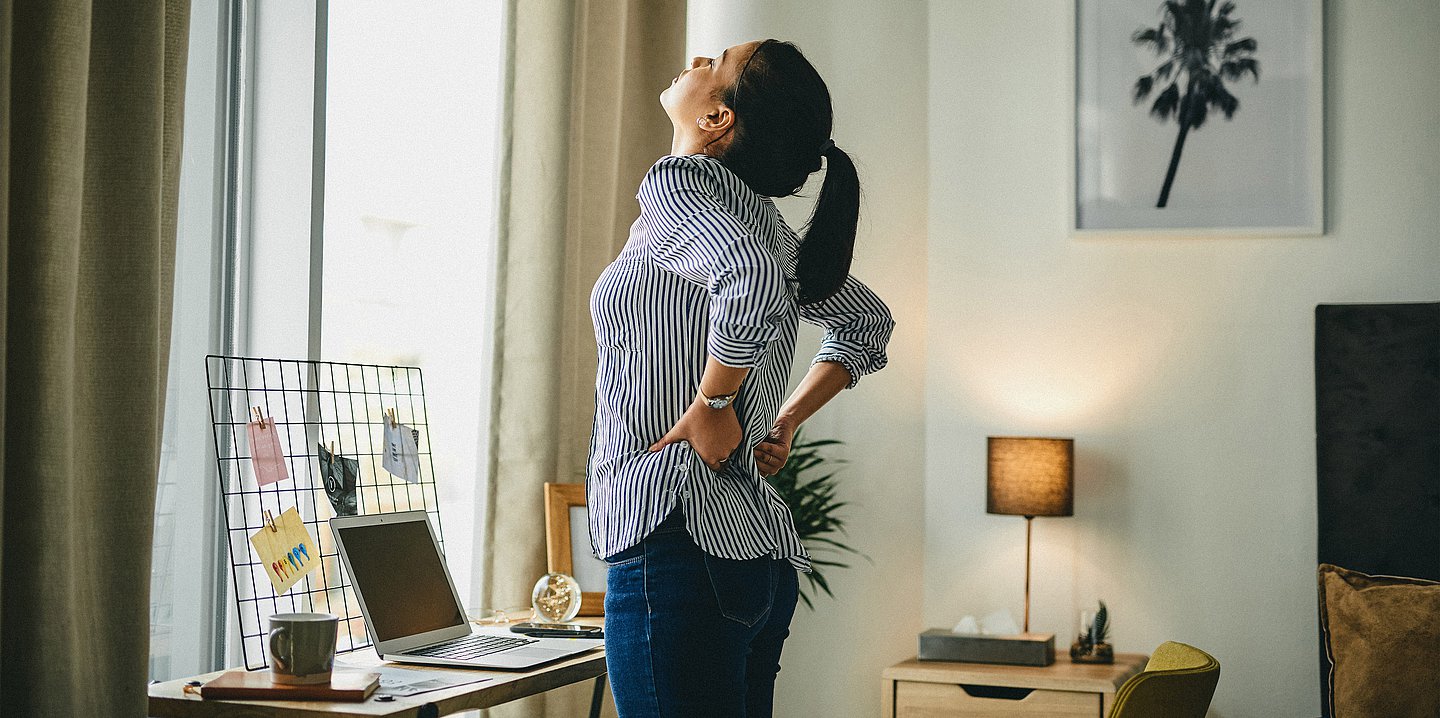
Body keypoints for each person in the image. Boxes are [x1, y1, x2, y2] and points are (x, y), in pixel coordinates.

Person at [586, 38, 894, 717]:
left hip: (677, 546)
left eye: (715, 63)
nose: (697, 60)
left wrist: (716, 401)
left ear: (718, 120)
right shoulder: (759, 222)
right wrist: (778, 422)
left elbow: (750, 282)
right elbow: (866, 321)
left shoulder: (678, 184)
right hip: (749, 563)